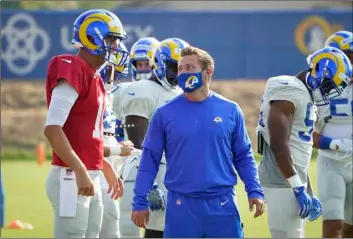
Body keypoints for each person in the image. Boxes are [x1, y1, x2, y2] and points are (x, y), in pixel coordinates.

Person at [132, 46, 266, 238]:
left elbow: (243, 155)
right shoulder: (164, 113)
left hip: (223, 206)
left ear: (207, 72)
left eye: (189, 67)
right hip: (181, 207)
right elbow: (149, 160)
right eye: (180, 69)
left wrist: (254, 190)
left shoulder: (230, 110)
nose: (183, 73)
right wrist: (139, 200)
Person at [44, 9, 127, 238]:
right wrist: (80, 169)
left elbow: (86, 136)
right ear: (91, 37)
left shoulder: (95, 77)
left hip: (89, 172)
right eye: (112, 39)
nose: (116, 47)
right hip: (70, 174)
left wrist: (103, 164)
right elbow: (52, 129)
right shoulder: (73, 66)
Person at [256, 46, 352, 238]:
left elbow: (298, 147)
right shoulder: (289, 87)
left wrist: (306, 187)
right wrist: (297, 186)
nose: (329, 92)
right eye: (329, 86)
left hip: (289, 177)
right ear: (318, 71)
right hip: (280, 178)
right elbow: (278, 142)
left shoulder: (304, 93)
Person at [122, 38, 187, 238]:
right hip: (154, 172)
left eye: (183, 68)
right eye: (174, 67)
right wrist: (149, 184)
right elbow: (137, 144)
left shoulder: (181, 93)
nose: (178, 73)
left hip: (179, 174)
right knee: (157, 231)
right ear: (159, 63)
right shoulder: (143, 90)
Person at [312, 31, 353, 238]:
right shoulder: (319, 88)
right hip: (331, 162)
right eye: (346, 55)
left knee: (351, 228)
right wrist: (334, 144)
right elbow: (304, 132)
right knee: (333, 222)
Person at [98, 42, 135, 238]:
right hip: (94, 174)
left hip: (107, 174)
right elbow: (82, 143)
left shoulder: (110, 94)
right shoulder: (91, 93)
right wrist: (117, 152)